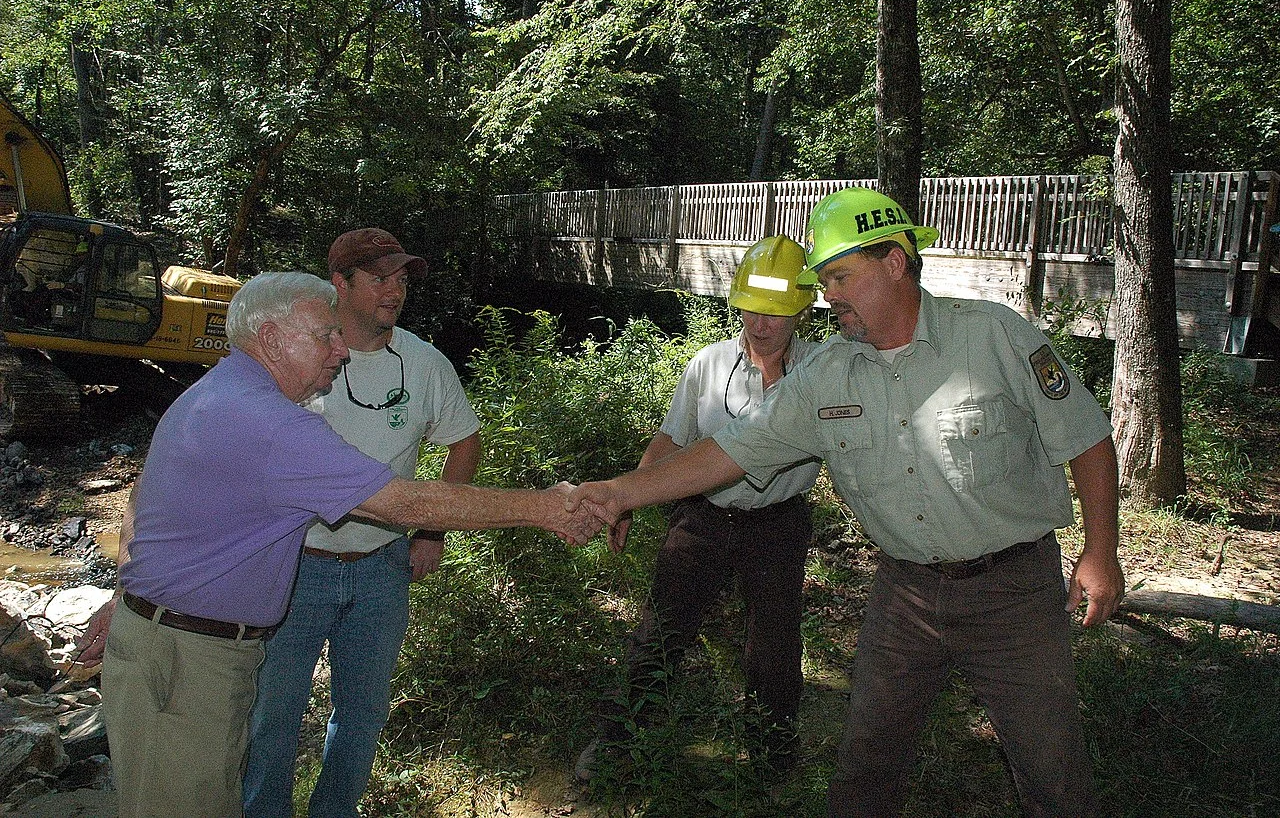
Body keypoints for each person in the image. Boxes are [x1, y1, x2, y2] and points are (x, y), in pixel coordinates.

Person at [570, 186, 1125, 817]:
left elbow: (1086, 437)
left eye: (839, 277)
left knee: (1051, 765)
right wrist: (618, 492)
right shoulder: (827, 373)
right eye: (825, 281)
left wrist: (1099, 552)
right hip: (906, 593)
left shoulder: (993, 337)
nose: (827, 295)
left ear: (895, 263)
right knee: (866, 761)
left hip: (1012, 592)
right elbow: (729, 450)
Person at [74, 271, 595, 818]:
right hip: (185, 662)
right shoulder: (271, 424)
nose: (341, 351)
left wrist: (131, 598)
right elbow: (403, 505)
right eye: (325, 336)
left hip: (174, 645)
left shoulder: (216, 393)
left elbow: (150, 504)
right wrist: (545, 506)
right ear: (271, 339)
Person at [243, 229, 482, 817]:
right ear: (341, 285)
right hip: (294, 564)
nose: (394, 291)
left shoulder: (424, 364)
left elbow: (465, 439)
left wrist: (432, 531)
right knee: (273, 712)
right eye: (379, 278)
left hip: (382, 566)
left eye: (401, 279)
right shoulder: (299, 359)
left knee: (362, 714)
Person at [574, 236, 822, 783]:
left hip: (778, 524)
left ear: (802, 310)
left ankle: (774, 757)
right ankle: (616, 740)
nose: (761, 324)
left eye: (776, 312)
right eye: (751, 308)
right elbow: (671, 438)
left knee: (775, 643)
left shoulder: (820, 373)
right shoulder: (709, 365)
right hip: (704, 518)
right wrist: (630, 498)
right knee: (662, 631)